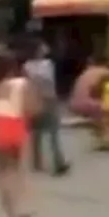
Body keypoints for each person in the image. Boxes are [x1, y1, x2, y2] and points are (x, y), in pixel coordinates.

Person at [0, 52, 39, 217]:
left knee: (1, 175)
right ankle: (19, 213)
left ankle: (10, 216)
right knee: (15, 172)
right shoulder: (22, 84)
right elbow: (33, 109)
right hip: (15, 126)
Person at [22, 41, 70, 175]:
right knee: (53, 132)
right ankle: (58, 162)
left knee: (36, 133)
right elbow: (49, 81)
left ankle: (37, 162)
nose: (46, 48)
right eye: (43, 46)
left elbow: (27, 84)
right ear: (39, 50)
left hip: (34, 100)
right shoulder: (48, 64)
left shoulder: (26, 66)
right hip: (49, 99)